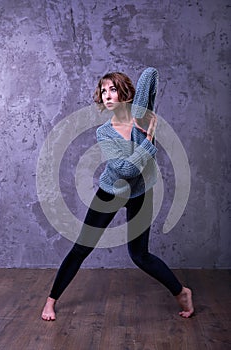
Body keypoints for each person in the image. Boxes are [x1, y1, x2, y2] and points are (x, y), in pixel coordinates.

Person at [41, 69, 194, 321]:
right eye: (103, 91)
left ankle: (182, 292)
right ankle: (50, 300)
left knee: (140, 256)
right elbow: (126, 169)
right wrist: (148, 143)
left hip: (141, 193)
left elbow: (151, 74)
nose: (107, 95)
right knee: (81, 248)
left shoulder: (141, 117)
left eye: (113, 89)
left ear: (125, 93)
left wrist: (144, 107)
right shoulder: (104, 133)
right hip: (111, 191)